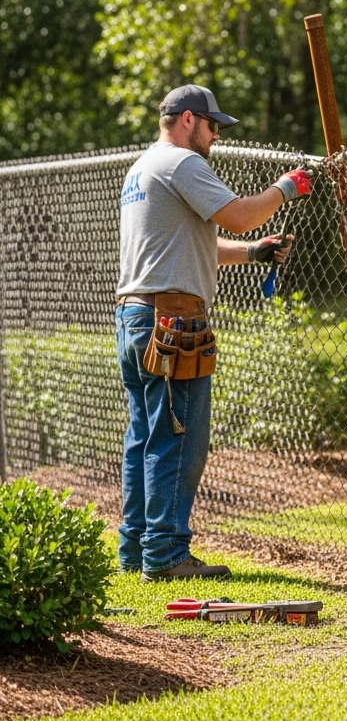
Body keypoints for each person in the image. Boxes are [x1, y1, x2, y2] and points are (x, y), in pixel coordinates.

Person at [116, 84, 311, 582]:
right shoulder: (183, 164)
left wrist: (253, 253)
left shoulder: (143, 168)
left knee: (145, 436)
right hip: (172, 320)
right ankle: (165, 555)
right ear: (186, 119)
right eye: (212, 125)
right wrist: (287, 186)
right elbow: (242, 215)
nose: (216, 136)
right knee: (180, 438)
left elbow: (196, 242)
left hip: (136, 317)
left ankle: (136, 547)